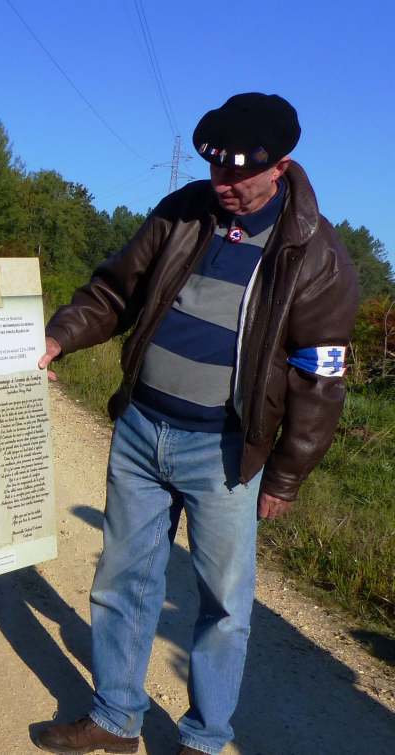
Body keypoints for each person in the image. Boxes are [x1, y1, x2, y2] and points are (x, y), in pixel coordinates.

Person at [32, 93, 358, 754]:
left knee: (224, 606)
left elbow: (320, 378)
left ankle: (203, 739)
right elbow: (114, 291)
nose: (225, 186)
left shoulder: (317, 257)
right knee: (122, 580)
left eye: (240, 175)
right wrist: (59, 337)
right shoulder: (184, 210)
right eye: (217, 171)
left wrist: (286, 476)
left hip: (226, 454)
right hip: (141, 432)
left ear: (282, 166)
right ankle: (116, 716)